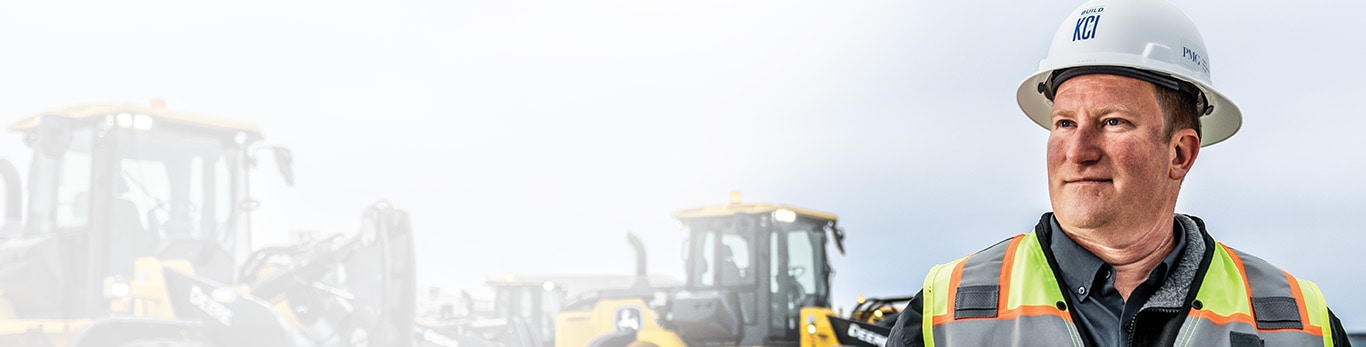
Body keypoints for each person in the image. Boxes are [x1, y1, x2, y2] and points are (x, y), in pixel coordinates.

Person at [885, 0, 1350, 346]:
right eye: (1064, 123)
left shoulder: (1297, 322)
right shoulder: (944, 314)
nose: (1079, 151)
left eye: (1112, 122)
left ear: (1180, 154)